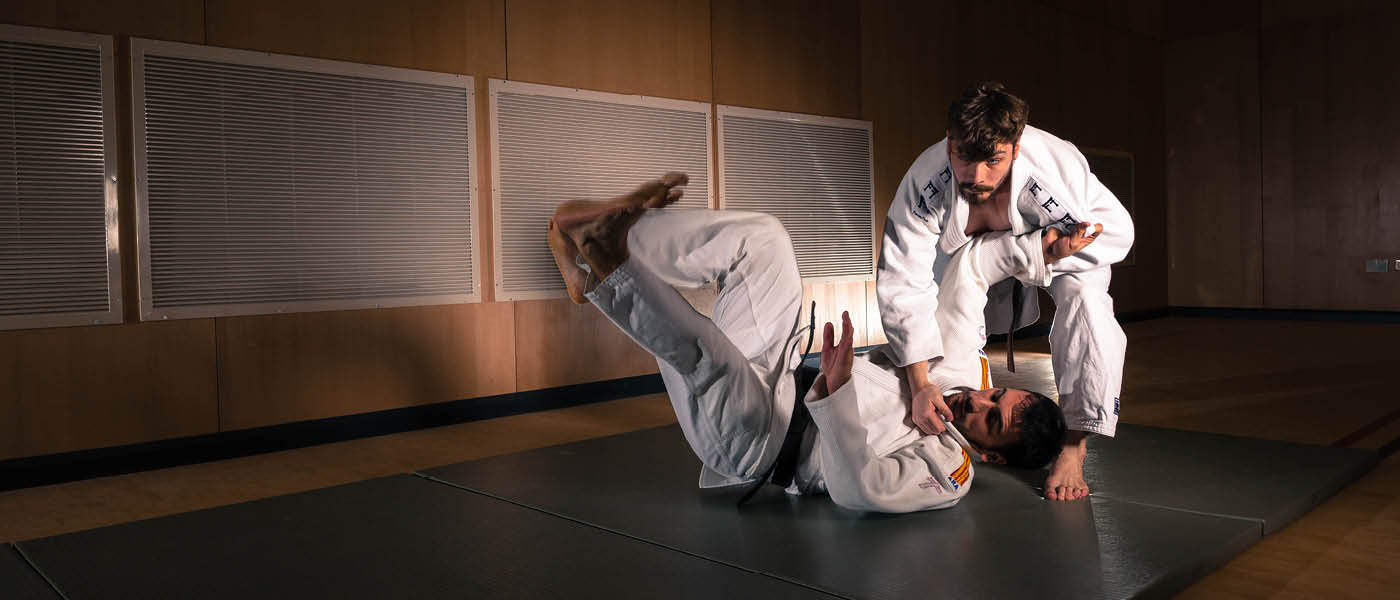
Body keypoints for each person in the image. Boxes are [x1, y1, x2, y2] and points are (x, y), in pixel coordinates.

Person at [547, 173, 1089, 513]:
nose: (979, 401)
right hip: (780, 375)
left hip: (759, 443)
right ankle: (613, 241)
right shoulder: (955, 376)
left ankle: (607, 261)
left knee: (710, 352)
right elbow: (970, 273)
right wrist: (1039, 253)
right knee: (764, 242)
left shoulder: (950, 468)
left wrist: (837, 395)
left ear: (991, 455)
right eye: (998, 397)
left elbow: (863, 492)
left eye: (990, 419)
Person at [877, 82, 1135, 501]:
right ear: (949, 143)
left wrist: (1042, 251)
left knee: (1087, 302)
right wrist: (921, 383)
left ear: (1015, 149)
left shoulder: (1054, 172)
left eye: (993, 160)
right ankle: (942, 387)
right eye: (964, 157)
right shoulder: (925, 180)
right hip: (966, 247)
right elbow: (901, 275)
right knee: (937, 320)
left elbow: (1118, 238)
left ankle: (1073, 445)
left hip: (1064, 244)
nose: (976, 177)